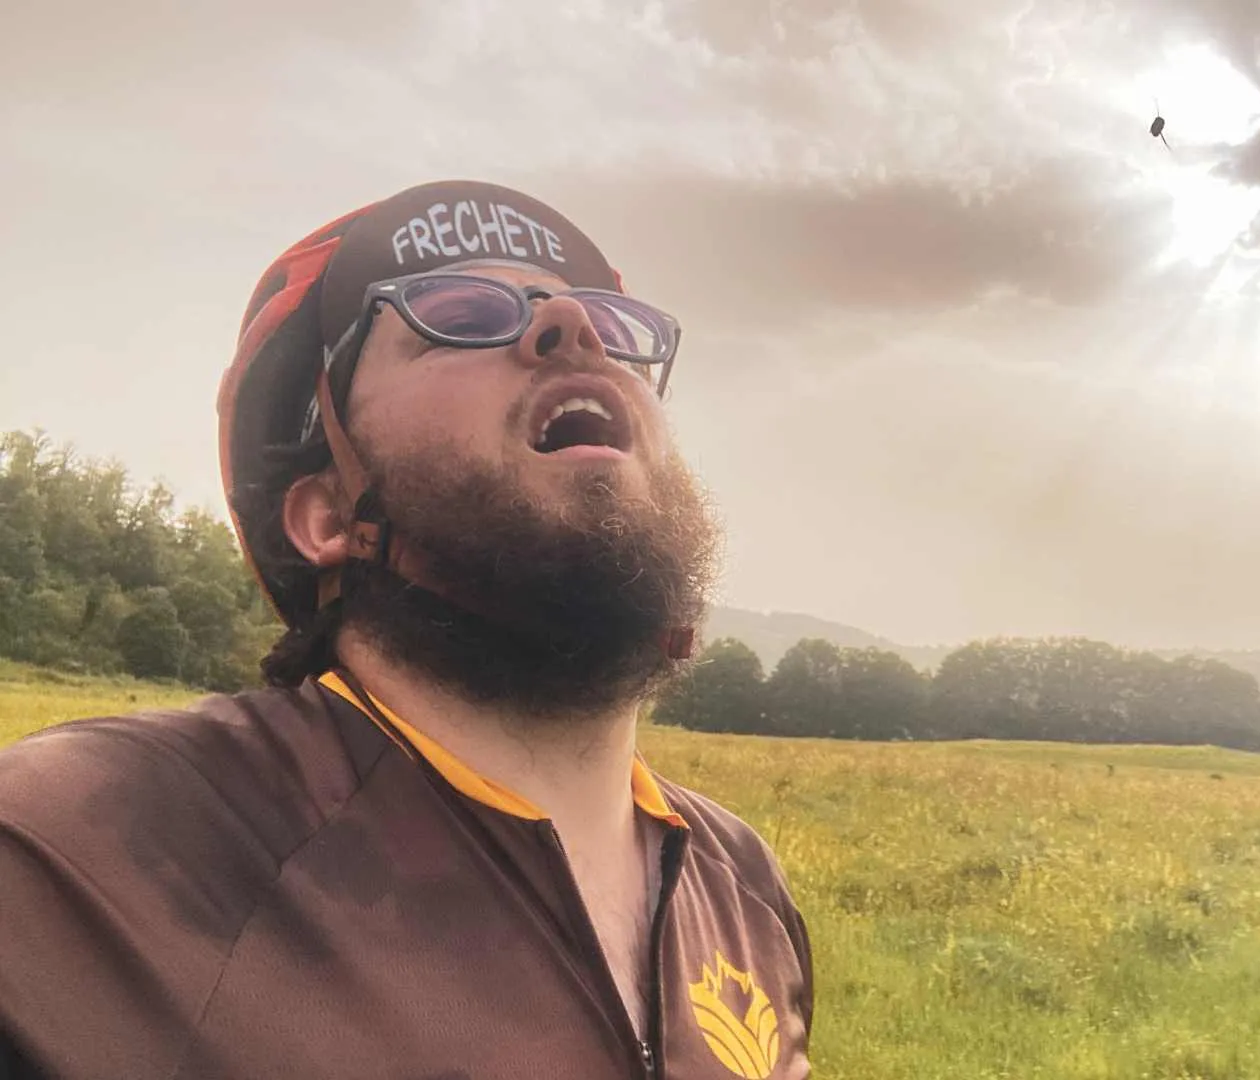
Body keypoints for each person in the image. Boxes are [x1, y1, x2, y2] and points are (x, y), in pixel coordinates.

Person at [0, 179, 813, 1079]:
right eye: (459, 314)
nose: (572, 326)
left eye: (613, 326)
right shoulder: (79, 849)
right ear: (328, 518)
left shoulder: (741, 883)